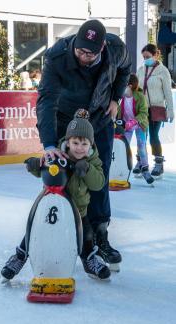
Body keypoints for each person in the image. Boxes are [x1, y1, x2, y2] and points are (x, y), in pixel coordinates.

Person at [36, 19, 132, 270]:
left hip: (99, 119)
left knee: (97, 176)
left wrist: (115, 97)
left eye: (90, 53)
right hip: (66, 123)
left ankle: (100, 236)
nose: (83, 56)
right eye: (80, 50)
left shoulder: (116, 49)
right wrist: (48, 145)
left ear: (101, 49)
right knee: (59, 176)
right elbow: (46, 100)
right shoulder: (57, 57)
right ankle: (60, 229)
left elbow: (125, 69)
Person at [1, 109, 111, 281]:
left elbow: (99, 184)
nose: (79, 148)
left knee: (87, 235)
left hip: (78, 211)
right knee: (33, 229)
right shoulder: (59, 156)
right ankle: (20, 256)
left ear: (91, 145)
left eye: (84, 144)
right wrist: (35, 165)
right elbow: (44, 168)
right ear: (68, 142)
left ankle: (90, 259)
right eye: (75, 143)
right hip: (50, 205)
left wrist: (87, 169)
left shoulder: (92, 161)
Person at [137, 44, 174, 178]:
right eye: (144, 57)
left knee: (153, 136)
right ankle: (141, 162)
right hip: (142, 109)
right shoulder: (141, 70)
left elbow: (168, 93)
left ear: (156, 55)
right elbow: (136, 89)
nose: (146, 59)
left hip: (156, 108)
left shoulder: (163, 71)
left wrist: (170, 110)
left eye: (148, 57)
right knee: (141, 137)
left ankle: (159, 164)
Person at [117, 73, 154, 184]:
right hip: (126, 125)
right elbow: (118, 111)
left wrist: (134, 121)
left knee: (141, 146)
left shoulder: (140, 96)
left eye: (124, 85)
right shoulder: (121, 97)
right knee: (124, 146)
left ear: (130, 86)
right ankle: (123, 167)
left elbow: (144, 113)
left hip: (139, 125)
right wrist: (118, 121)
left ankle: (145, 169)